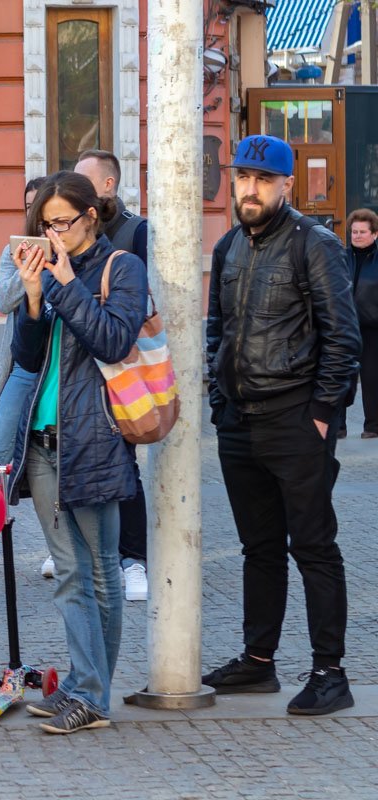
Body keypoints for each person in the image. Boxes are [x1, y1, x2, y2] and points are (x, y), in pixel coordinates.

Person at [202, 135, 360, 716]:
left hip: (297, 422)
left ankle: (330, 672)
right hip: (239, 423)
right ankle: (258, 662)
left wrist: (322, 416)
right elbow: (216, 328)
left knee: (314, 547)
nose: (250, 188)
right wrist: (219, 401)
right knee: (257, 549)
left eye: (263, 179)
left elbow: (342, 338)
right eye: (243, 177)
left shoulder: (314, 245)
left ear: (286, 185)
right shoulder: (227, 248)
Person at [9, 170, 147, 735]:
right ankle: (84, 686)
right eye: (46, 224)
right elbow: (25, 355)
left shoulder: (123, 268)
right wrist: (36, 298)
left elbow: (114, 339)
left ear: (92, 215)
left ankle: (90, 693)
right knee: (70, 573)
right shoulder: (49, 269)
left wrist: (64, 285)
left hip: (92, 439)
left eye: (62, 221)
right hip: (42, 440)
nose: (53, 232)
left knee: (98, 574)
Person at [74, 149, 150, 602]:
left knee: (125, 469)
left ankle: (133, 559)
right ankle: (91, 554)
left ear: (107, 185)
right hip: (81, 371)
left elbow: (146, 299)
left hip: (124, 364)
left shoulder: (135, 232)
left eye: (84, 182)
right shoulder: (77, 232)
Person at [0, 177, 44, 578]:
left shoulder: (72, 253)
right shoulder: (10, 250)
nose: (35, 212)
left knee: (56, 458)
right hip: (21, 367)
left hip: (58, 371)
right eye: (29, 205)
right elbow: (2, 299)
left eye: (42, 205)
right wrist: (28, 268)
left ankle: (58, 547)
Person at [346, 208, 378, 438]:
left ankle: (372, 427)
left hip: (372, 328)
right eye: (353, 231)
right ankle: (337, 427)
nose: (357, 236)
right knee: (340, 377)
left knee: (371, 379)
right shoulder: (339, 258)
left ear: (374, 234)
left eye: (362, 231)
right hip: (344, 328)